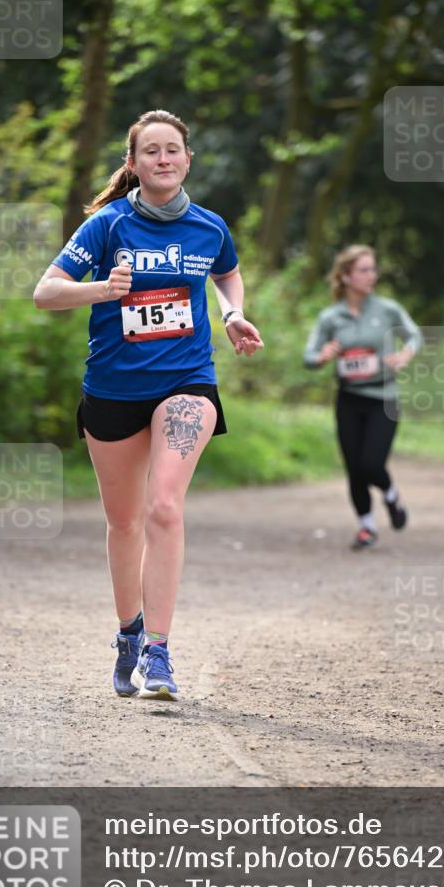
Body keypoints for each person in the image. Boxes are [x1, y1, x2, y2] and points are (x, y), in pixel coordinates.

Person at [33, 109, 263, 700]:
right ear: (133, 164)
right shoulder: (107, 226)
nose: (163, 159)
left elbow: (227, 275)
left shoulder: (210, 227)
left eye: (173, 150)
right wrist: (102, 290)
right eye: (151, 152)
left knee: (164, 505)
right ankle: (129, 635)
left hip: (186, 381)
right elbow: (45, 293)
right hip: (112, 391)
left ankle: (159, 653)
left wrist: (232, 314)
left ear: (188, 159)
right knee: (124, 521)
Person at [303, 244, 421, 549]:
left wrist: (405, 355)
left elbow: (415, 335)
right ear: (345, 277)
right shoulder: (331, 317)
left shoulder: (387, 309)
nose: (372, 275)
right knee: (353, 467)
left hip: (384, 397)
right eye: (364, 270)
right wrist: (323, 355)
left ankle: (391, 495)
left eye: (373, 269)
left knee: (371, 463)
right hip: (349, 399)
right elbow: (309, 356)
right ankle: (366, 526)